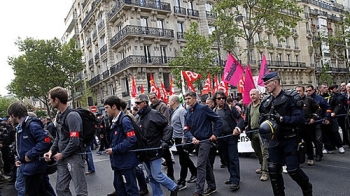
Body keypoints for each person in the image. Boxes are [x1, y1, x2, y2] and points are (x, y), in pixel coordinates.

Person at [259, 72, 312, 196]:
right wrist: (265, 123)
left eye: (267, 83)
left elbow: (300, 119)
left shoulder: (291, 97)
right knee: (273, 169)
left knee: (293, 170)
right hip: (274, 140)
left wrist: (282, 119)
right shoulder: (266, 101)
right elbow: (261, 119)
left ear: (275, 83)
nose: (265, 86)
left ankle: (307, 189)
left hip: (290, 139)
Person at [44, 86, 88, 196]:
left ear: (56, 100)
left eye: (50, 99)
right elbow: (59, 137)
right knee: (60, 189)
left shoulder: (72, 116)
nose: (49, 102)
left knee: (80, 191)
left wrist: (62, 154)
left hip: (75, 158)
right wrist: (51, 151)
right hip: (63, 158)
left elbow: (75, 140)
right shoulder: (59, 115)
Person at [135, 94, 179, 196]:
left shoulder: (154, 114)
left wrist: (165, 141)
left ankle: (173, 187)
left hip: (155, 149)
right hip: (144, 151)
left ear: (145, 103)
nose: (136, 105)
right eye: (136, 103)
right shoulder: (139, 116)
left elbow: (168, 127)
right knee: (151, 176)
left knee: (157, 175)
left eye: (138, 103)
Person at [183, 91, 223, 196]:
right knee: (206, 165)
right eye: (186, 99)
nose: (187, 101)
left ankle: (198, 190)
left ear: (195, 98)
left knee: (200, 164)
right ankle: (212, 186)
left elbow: (218, 120)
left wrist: (215, 134)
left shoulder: (204, 108)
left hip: (206, 141)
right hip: (196, 141)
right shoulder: (187, 112)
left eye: (189, 98)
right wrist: (192, 138)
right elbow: (186, 129)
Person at [8, 103, 52, 196]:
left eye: (10, 116)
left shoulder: (31, 125)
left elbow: (46, 140)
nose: (10, 119)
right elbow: (22, 146)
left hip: (33, 166)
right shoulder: (22, 127)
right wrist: (19, 159)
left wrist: (29, 155)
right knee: (42, 192)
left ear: (13, 115)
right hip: (29, 166)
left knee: (31, 193)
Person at [103, 96, 139, 196]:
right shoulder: (114, 120)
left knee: (131, 189)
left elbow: (131, 139)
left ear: (114, 106)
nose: (105, 110)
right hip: (119, 162)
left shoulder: (124, 120)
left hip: (126, 162)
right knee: (119, 186)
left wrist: (114, 150)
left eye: (106, 108)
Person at [213, 91, 244, 190]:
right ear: (215, 100)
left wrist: (237, 128)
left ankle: (235, 181)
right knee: (226, 159)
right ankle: (232, 176)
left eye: (223, 98)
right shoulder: (213, 111)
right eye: (219, 98)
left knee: (233, 158)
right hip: (221, 139)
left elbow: (241, 119)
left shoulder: (231, 108)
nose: (221, 100)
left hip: (231, 136)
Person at [169, 95, 197, 191]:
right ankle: (195, 172)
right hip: (177, 139)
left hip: (181, 139)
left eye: (169, 101)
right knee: (185, 158)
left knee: (183, 160)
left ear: (173, 101)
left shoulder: (181, 111)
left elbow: (184, 125)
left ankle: (182, 181)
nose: (168, 103)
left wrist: (184, 139)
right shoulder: (175, 111)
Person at [244, 89, 269, 181]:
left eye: (254, 94)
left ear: (259, 95)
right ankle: (262, 165)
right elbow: (247, 119)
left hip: (262, 131)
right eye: (251, 95)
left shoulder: (264, 105)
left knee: (264, 151)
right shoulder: (249, 106)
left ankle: (265, 172)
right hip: (252, 132)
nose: (252, 96)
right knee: (257, 151)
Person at [295, 86, 321, 166]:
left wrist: (313, 118)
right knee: (297, 142)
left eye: (300, 91)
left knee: (308, 141)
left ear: (303, 91)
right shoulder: (294, 101)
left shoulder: (309, 100)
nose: (298, 92)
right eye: (297, 91)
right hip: (297, 124)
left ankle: (310, 158)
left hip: (307, 124)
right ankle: (299, 160)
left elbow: (318, 109)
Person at [305, 85, 329, 161]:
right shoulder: (305, 99)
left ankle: (319, 154)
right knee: (311, 139)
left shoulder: (319, 98)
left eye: (310, 90)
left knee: (318, 139)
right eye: (307, 91)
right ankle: (312, 153)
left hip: (318, 121)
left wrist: (327, 117)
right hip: (309, 123)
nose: (308, 92)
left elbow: (327, 108)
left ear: (314, 90)